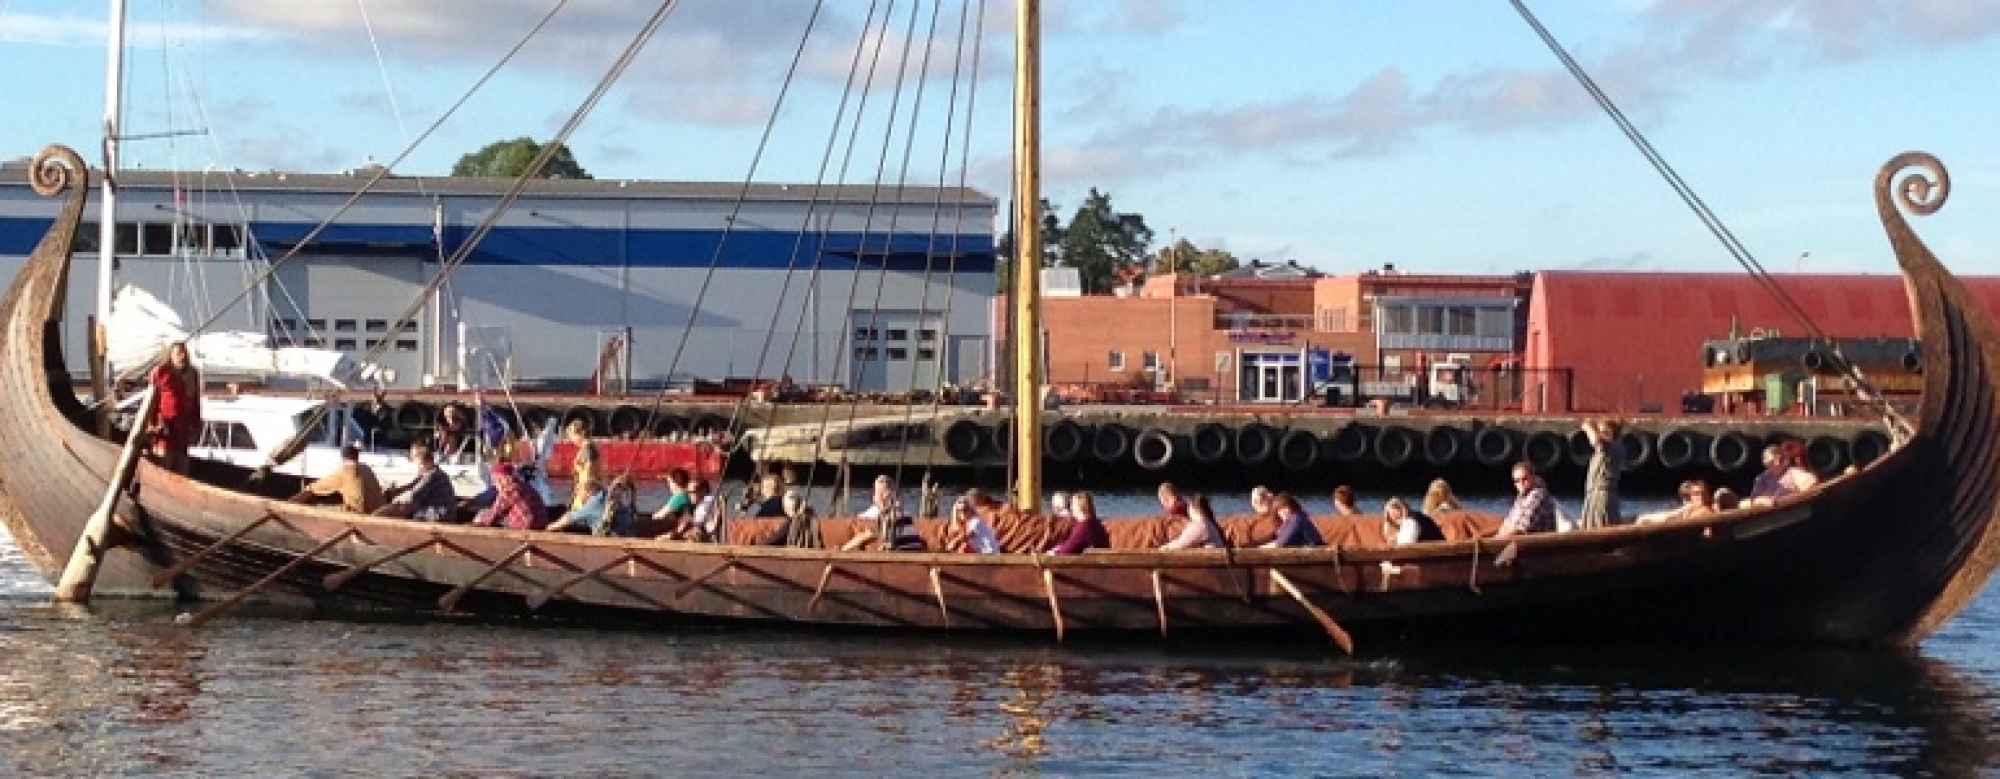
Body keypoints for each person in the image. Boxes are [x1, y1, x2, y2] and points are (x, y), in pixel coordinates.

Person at [148, 340, 202, 474]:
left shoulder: (192, 374)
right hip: (165, 428)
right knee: (164, 465)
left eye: (184, 353)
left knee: (182, 468)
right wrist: (151, 424)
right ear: (171, 355)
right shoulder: (161, 372)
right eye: (178, 353)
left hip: (183, 430)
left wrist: (197, 425)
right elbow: (151, 402)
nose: (182, 356)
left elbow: (195, 402)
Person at [290, 444, 386, 514]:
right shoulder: (366, 467)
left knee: (319, 508)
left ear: (343, 458)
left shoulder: (347, 470)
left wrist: (293, 501)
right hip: (378, 510)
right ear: (357, 456)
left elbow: (316, 487)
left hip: (359, 513)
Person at [375, 443, 458, 522]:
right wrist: (393, 492)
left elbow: (412, 495)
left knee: (406, 510)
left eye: (413, 459)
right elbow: (411, 486)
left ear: (421, 460)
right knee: (406, 508)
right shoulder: (431, 473)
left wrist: (392, 503)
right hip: (443, 513)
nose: (412, 462)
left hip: (441, 515)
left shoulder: (432, 475)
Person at [473, 461, 550, 531]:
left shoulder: (510, 489)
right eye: (495, 481)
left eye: (500, 479)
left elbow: (494, 514)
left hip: (525, 530)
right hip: (540, 527)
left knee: (485, 519)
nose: (498, 484)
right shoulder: (524, 485)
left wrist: (478, 521)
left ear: (510, 478)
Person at [1579, 418, 1625, 528]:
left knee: (1602, 527)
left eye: (1605, 432)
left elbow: (1597, 442)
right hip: (1593, 496)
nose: (1602, 435)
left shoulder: (1613, 447)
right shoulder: (1605, 450)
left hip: (1602, 497)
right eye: (1601, 432)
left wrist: (1588, 428)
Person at [1496, 461, 1556, 539]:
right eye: (1516, 481)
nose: (1521, 483)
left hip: (1537, 543)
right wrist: (1502, 532)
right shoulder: (1522, 496)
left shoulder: (1538, 495)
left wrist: (1496, 539)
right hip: (1522, 538)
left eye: (1524, 479)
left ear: (1533, 477)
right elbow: (1508, 522)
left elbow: (1522, 527)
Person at [1637, 479, 1714, 525]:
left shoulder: (1710, 508)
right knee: (1643, 519)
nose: (1701, 497)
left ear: (1708, 495)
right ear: (1691, 497)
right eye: (1696, 494)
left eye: (1703, 493)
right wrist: (1647, 518)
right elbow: (1670, 516)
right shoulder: (1689, 508)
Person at [565, 419, 600, 512]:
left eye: (571, 436)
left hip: (586, 495)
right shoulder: (588, 447)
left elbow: (589, 474)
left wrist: (584, 497)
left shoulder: (588, 449)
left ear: (581, 433)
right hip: (585, 492)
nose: (571, 440)